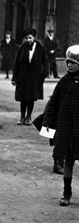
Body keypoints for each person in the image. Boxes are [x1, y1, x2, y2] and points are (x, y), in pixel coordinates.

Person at [42, 45, 79, 206]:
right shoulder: (63, 82)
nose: (68, 65)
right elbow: (53, 104)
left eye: (72, 63)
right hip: (67, 130)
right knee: (68, 161)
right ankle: (67, 193)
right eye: (67, 62)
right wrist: (47, 125)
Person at [11, 28, 49, 125]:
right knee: (23, 98)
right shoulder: (22, 48)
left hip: (34, 78)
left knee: (31, 98)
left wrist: (43, 74)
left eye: (30, 38)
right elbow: (17, 63)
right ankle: (22, 117)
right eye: (26, 38)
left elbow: (45, 61)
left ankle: (28, 117)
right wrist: (14, 78)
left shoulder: (40, 48)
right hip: (23, 77)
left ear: (34, 37)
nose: (28, 40)